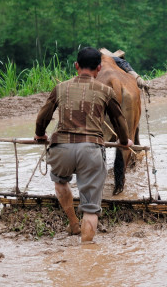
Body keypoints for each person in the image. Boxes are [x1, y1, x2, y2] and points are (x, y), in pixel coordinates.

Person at [34, 47, 133, 242]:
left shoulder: (60, 88)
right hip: (91, 150)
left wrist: (40, 135)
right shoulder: (106, 91)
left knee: (61, 182)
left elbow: (42, 116)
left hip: (61, 149)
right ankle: (86, 252)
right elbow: (119, 121)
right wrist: (124, 141)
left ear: (76, 66)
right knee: (90, 208)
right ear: (98, 69)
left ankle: (73, 223)